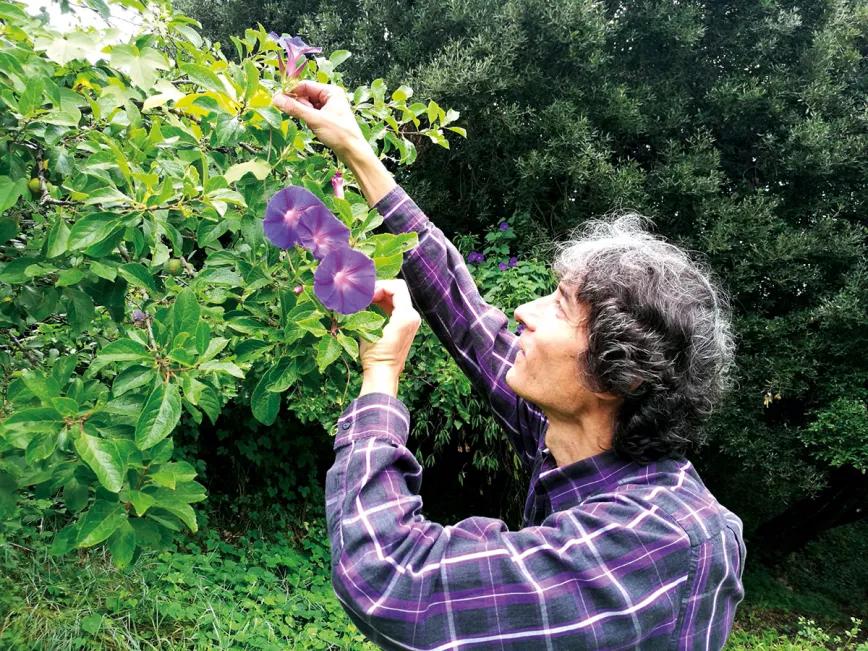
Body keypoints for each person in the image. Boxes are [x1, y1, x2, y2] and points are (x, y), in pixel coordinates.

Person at [273, 82, 746, 650]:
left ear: (623, 374)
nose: (523, 310)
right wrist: (356, 149)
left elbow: (394, 582)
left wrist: (379, 380)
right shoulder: (580, 443)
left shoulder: (658, 541)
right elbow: (465, 314)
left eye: (560, 305)